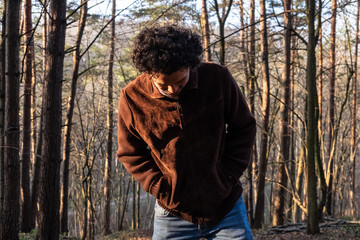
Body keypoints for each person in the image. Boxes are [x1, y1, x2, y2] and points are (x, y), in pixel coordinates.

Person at [117, 25, 256, 239]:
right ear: (149, 73)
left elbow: (243, 127)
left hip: (226, 206)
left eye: (181, 81)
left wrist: (227, 176)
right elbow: (130, 153)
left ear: (191, 65)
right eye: (165, 85)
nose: (174, 90)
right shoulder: (132, 97)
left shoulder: (217, 78)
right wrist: (160, 188)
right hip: (172, 211)